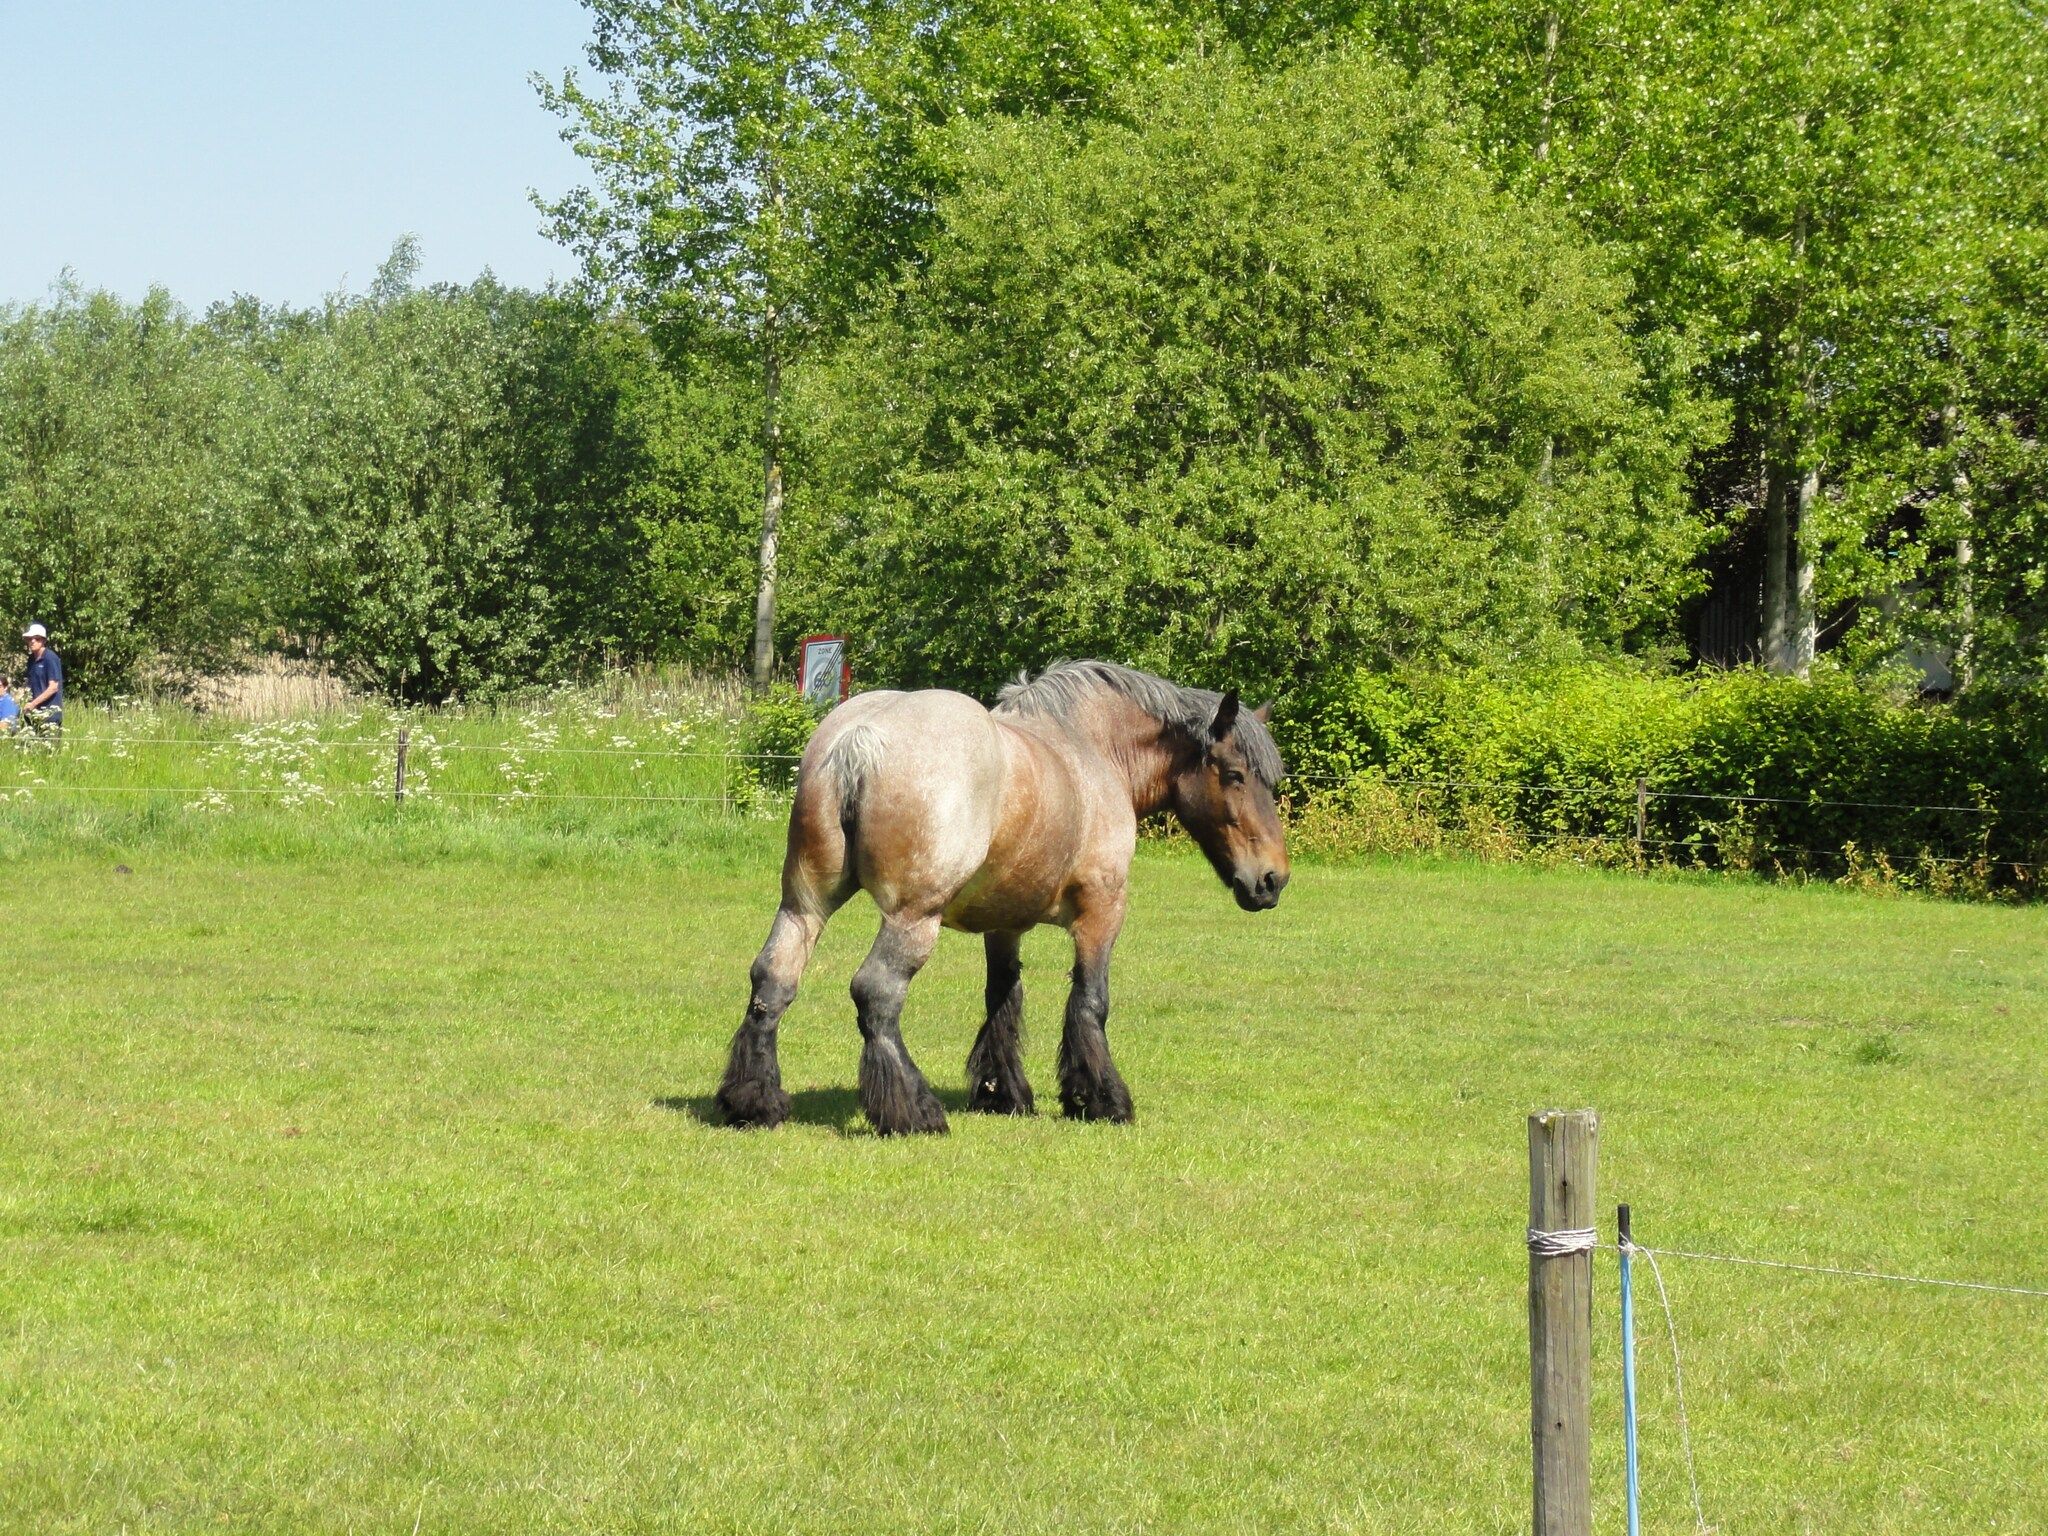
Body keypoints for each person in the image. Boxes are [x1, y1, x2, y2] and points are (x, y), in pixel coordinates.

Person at [22, 624, 62, 738]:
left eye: (37, 638)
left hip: (50, 714)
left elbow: (53, 687)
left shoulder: (50, 658)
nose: (32, 641)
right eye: (30, 639)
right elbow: (29, 683)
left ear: (43, 640)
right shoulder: (31, 660)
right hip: (34, 714)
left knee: (50, 752)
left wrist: (33, 704)